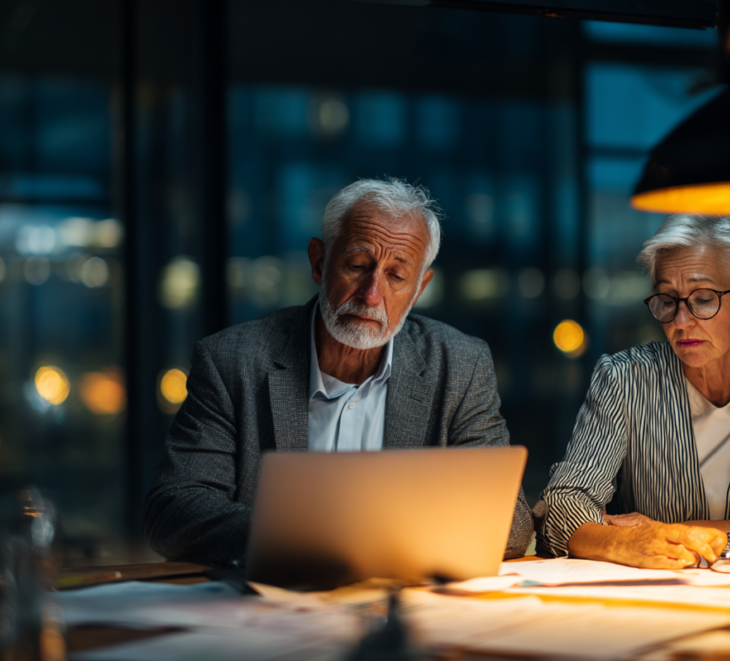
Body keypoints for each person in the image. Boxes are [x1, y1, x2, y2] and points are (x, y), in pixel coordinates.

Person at [144, 178, 533, 568]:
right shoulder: (232, 360)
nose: (371, 295)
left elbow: (512, 523)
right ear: (319, 261)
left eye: (396, 277)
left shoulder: (461, 364)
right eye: (358, 266)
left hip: (404, 609)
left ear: (419, 288)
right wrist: (310, 538)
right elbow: (175, 508)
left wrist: (372, 538)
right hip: (274, 607)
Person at [534, 215, 730, 569]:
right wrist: (623, 542)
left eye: (704, 299)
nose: (680, 322)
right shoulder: (625, 378)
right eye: (667, 300)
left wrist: (669, 535)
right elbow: (561, 507)